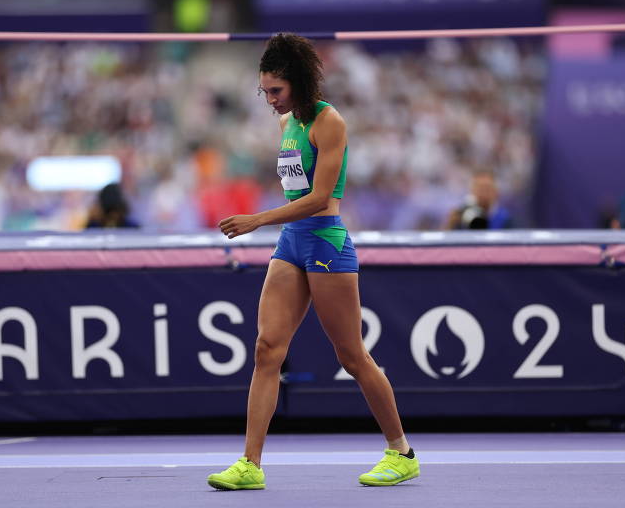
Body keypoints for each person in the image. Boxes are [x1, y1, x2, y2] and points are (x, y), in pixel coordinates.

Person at [208, 33, 419, 490]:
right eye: (264, 91)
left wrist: (257, 219)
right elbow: (295, 189)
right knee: (267, 349)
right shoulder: (288, 124)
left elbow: (322, 197)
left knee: (351, 354)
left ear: (299, 82)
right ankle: (250, 465)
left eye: (276, 91)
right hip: (292, 242)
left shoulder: (330, 122)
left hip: (324, 241)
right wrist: (271, 223)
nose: (269, 100)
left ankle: (401, 451)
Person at [446, 170, 512, 230]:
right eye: (479, 189)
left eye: (487, 188)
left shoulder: (505, 218)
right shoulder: (462, 217)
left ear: (496, 192)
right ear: (472, 191)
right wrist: (451, 224)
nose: (483, 193)